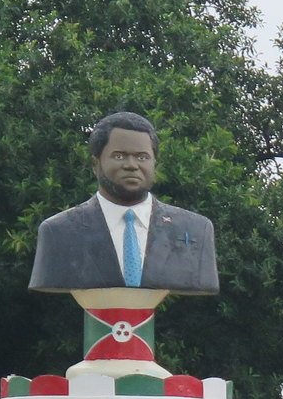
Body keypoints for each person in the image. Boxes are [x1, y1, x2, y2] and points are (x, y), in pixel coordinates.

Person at [28, 112, 219, 294]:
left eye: (142, 157)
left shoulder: (196, 230)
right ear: (96, 165)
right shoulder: (58, 232)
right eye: (119, 156)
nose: (131, 165)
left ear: (155, 164)